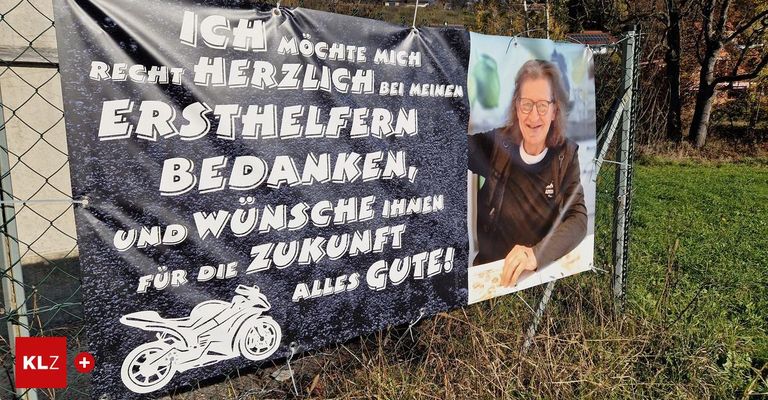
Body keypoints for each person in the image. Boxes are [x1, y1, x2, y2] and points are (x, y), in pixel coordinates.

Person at [469, 59, 587, 287]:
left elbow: (579, 218)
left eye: (543, 105)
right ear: (516, 107)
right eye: (526, 105)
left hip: (536, 281)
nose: (534, 117)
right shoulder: (497, 144)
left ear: (554, 110)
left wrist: (536, 255)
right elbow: (451, 149)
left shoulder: (566, 154)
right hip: (492, 280)